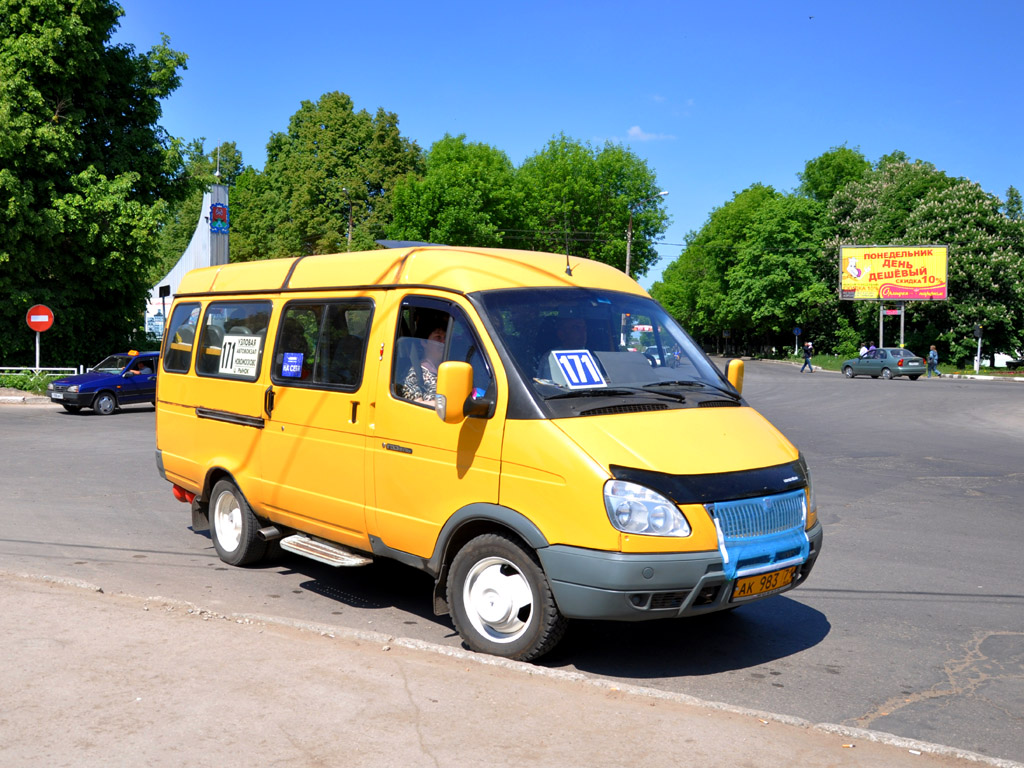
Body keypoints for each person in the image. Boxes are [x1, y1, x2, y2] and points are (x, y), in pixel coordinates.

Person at [401, 325, 446, 403]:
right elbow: (415, 407)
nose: (443, 342)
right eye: (438, 337)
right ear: (424, 342)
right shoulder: (415, 373)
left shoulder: (450, 368)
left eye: (445, 337)